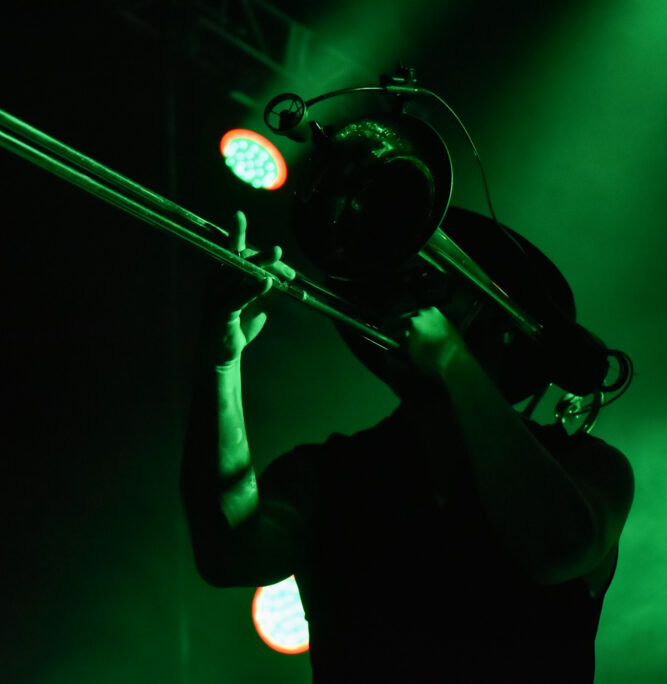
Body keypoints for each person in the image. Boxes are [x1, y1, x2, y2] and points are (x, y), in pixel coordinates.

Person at [181, 208, 634, 682]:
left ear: (504, 322)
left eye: (431, 285)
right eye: (395, 286)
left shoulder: (589, 466)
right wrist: (220, 362)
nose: (402, 301)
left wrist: (455, 362)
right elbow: (228, 554)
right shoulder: (328, 473)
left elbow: (557, 549)